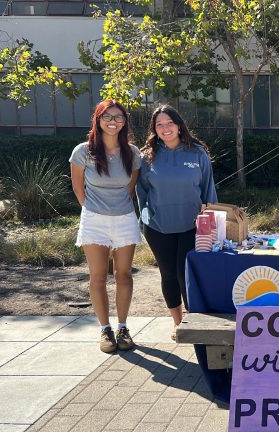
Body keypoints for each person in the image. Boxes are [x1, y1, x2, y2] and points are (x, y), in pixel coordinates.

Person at [137, 105, 218, 340]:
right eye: (159, 125)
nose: (165, 129)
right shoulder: (146, 156)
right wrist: (143, 220)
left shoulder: (197, 153)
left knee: (188, 275)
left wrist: (210, 222)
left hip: (192, 227)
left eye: (169, 123)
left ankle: (195, 320)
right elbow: (141, 193)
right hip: (158, 227)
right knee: (169, 274)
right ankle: (178, 323)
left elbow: (208, 189)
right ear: (154, 129)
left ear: (179, 125)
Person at [70, 100, 141, 353]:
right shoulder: (83, 151)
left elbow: (131, 186)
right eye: (107, 116)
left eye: (119, 117)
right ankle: (105, 330)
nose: (113, 121)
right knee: (98, 276)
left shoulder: (132, 152)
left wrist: (117, 208)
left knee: (124, 274)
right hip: (94, 221)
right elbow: (78, 187)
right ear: (98, 119)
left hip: (124, 219)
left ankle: (123, 328)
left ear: (125, 121)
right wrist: (90, 210)